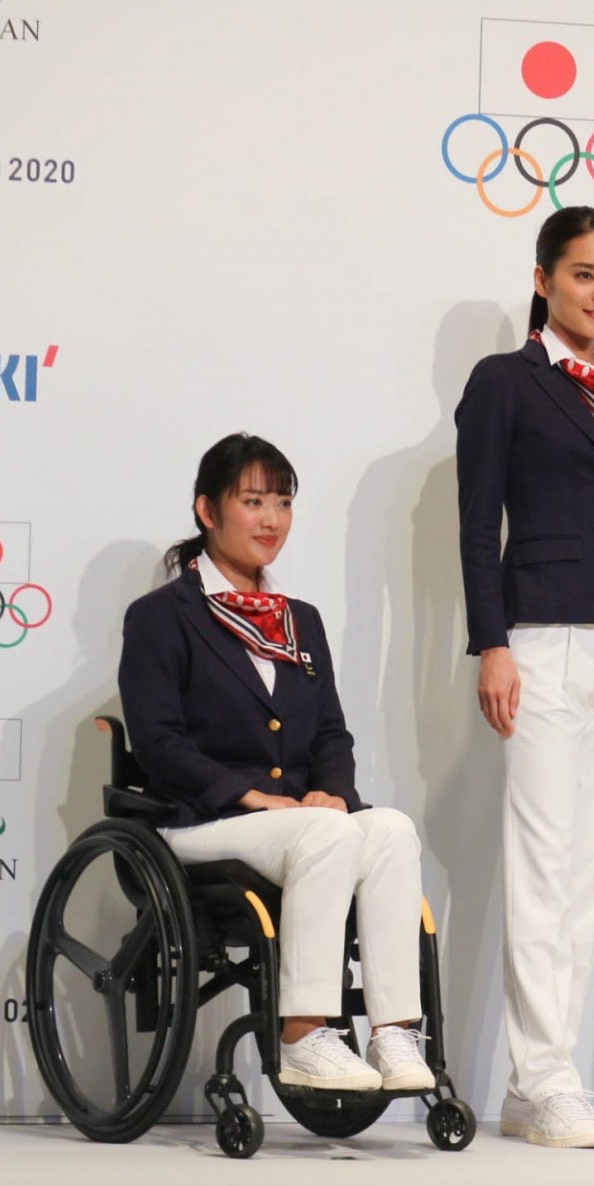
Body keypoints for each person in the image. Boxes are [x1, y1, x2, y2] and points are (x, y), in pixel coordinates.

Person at [119, 433, 433, 1094]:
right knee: (325, 833)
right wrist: (249, 796)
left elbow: (331, 733)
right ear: (207, 510)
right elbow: (157, 742)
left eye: (283, 502)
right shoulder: (161, 617)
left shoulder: (300, 620)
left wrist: (333, 792)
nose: (271, 519)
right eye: (253, 500)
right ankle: (304, 1035)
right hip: (198, 819)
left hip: (295, 821)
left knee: (392, 828)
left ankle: (394, 1030)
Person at [455, 206, 594, 1149]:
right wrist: (491, 641)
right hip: (540, 635)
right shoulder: (505, 382)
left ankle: (544, 1080)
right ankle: (545, 1081)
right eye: (584, 273)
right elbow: (476, 523)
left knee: (588, 873)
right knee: (542, 865)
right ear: (543, 279)